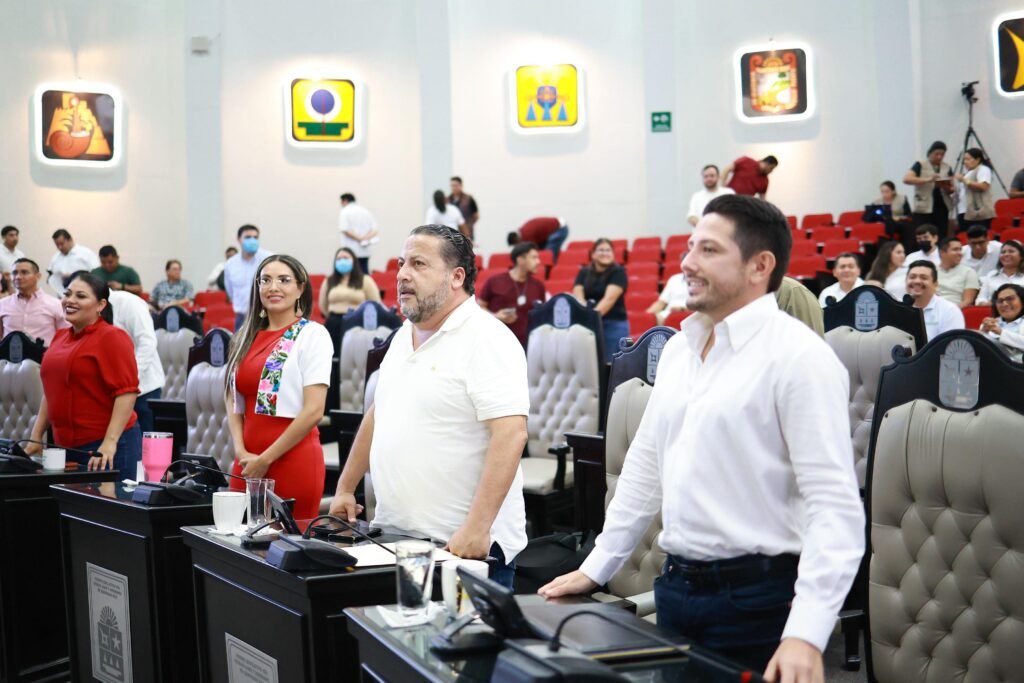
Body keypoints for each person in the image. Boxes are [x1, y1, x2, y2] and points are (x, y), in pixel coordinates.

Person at [540, 194, 864, 681]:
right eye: (690, 247)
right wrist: (597, 565)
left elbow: (835, 509)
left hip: (759, 600)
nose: (687, 262)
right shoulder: (679, 350)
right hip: (676, 586)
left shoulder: (799, 357)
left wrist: (806, 632)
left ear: (759, 266)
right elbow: (645, 466)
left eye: (708, 250)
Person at [328, 225, 529, 589]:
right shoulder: (402, 337)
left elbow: (511, 434)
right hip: (394, 539)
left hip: (461, 548)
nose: (402, 274)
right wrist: (345, 486)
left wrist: (477, 528)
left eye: (418, 264)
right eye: (401, 263)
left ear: (456, 277)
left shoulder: (488, 338)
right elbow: (378, 412)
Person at [224, 255, 332, 520]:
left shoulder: (312, 335)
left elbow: (314, 411)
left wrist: (266, 459)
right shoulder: (244, 336)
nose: (274, 287)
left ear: (300, 288)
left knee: (287, 542)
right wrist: (240, 449)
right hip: (247, 460)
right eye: (266, 280)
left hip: (293, 459)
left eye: (284, 280)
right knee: (234, 536)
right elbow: (232, 395)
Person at [24, 273, 142, 480]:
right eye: (68, 294)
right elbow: (51, 392)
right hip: (64, 448)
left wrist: (109, 442)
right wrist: (36, 436)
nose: (70, 300)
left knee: (108, 502)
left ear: (100, 305)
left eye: (80, 296)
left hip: (105, 447)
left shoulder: (112, 337)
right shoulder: (60, 337)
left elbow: (126, 393)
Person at [108, 288, 166, 434]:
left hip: (143, 388)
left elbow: (147, 342)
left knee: (146, 441)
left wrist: (130, 379)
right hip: (112, 390)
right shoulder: (86, 310)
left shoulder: (129, 302)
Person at [478, 241, 546, 347]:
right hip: (497, 342)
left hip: (528, 344)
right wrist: (496, 316)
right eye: (534, 258)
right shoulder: (494, 281)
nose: (538, 262)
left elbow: (542, 314)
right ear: (520, 260)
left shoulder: (538, 286)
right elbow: (479, 307)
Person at [573, 238, 628, 361]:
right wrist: (585, 312)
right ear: (593, 254)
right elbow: (578, 293)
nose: (605, 253)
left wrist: (590, 317)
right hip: (590, 323)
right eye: (601, 250)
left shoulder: (619, 271)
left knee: (609, 364)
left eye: (608, 250)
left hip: (613, 325)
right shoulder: (584, 271)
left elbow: (608, 300)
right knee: (589, 363)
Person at [319, 246, 382, 349]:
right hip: (334, 323)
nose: (342, 261)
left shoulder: (365, 280)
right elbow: (323, 305)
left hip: (357, 323)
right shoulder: (329, 281)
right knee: (334, 353)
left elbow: (375, 303)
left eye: (345, 258)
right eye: (339, 259)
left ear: (354, 261)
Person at [0, 258, 69, 345]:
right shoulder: (2, 304)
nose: (18, 277)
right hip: (9, 353)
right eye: (14, 273)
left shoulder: (55, 304)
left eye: (24, 272)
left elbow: (65, 336)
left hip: (45, 353)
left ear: (38, 276)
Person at [223, 225, 273, 331]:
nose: (252, 240)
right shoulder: (230, 264)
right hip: (242, 318)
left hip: (266, 317)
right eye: (248, 237)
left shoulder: (269, 259)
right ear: (239, 239)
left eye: (255, 237)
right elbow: (230, 291)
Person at [903, 141, 955, 238]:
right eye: (936, 154)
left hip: (942, 205)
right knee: (923, 232)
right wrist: (928, 179)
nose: (939, 157)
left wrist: (944, 186)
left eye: (942, 155)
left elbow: (952, 189)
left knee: (941, 234)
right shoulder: (920, 165)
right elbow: (907, 179)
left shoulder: (947, 167)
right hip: (924, 206)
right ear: (930, 153)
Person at [906, 260, 964, 340]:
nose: (917, 281)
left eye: (923, 278)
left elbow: (950, 344)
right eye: (912, 277)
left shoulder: (949, 310)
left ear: (935, 284)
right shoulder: (898, 308)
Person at [954, 148, 996, 232]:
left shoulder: (983, 169)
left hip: (978, 212)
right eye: (964, 159)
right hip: (964, 210)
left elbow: (983, 186)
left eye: (968, 159)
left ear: (977, 159)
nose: (965, 162)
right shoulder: (968, 173)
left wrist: (964, 180)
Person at [980, 283, 1024, 361]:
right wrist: (983, 333)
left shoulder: (996, 329)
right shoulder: (990, 324)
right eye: (1000, 301)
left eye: (1010, 299)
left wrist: (1001, 332)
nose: (1005, 304)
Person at [47, 229, 100, 294]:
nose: (60, 247)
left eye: (61, 244)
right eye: (57, 245)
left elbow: (97, 274)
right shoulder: (55, 258)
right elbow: (50, 277)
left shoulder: (86, 254)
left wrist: (73, 276)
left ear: (70, 240)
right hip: (62, 295)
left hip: (83, 293)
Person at [338, 193, 379, 275]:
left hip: (350, 251)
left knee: (351, 276)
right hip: (364, 250)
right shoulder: (366, 211)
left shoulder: (345, 211)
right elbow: (374, 230)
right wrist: (365, 238)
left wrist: (360, 238)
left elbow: (345, 230)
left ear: (345, 201)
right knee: (364, 275)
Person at [936, 237, 980, 308]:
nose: (960, 253)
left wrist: (951, 311)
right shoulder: (931, 271)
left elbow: (968, 301)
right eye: (955, 249)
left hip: (956, 309)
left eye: (960, 249)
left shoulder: (969, 272)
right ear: (942, 252)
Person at [977, 241, 1024, 305]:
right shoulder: (991, 275)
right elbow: (980, 299)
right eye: (1003, 252)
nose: (1006, 254)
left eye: (1011, 251)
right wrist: (986, 304)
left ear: (1021, 256)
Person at [449, 176, 480, 241]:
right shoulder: (448, 200)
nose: (454, 188)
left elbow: (476, 215)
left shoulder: (468, 199)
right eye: (452, 186)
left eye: (456, 185)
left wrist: (469, 224)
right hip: (452, 233)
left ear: (461, 186)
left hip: (467, 232)